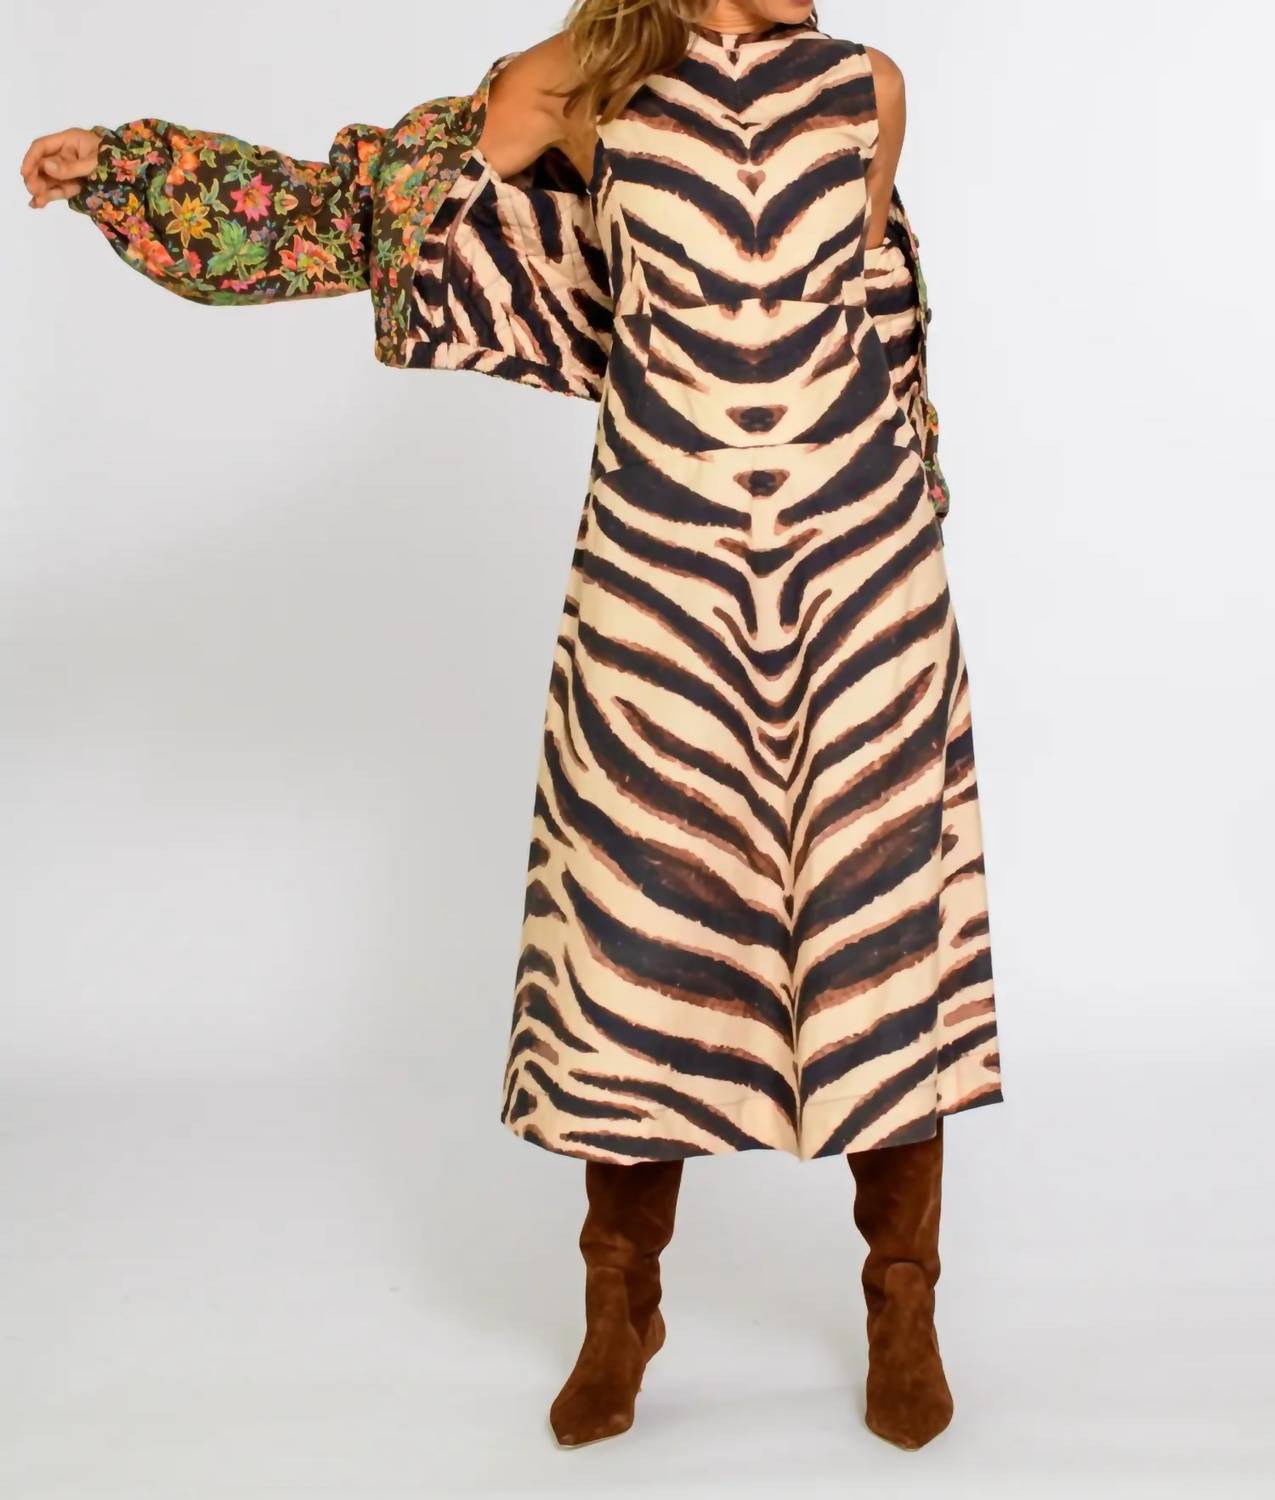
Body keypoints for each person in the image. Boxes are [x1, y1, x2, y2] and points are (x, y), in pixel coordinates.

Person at [21, 0, 1005, 1454]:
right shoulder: (591, 82)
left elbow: (872, 327)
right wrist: (125, 167)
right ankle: (621, 1309)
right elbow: (369, 208)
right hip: (660, 576)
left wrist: (905, 513)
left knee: (874, 925)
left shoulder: (870, 87)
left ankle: (902, 1306)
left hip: (862, 576)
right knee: (632, 938)